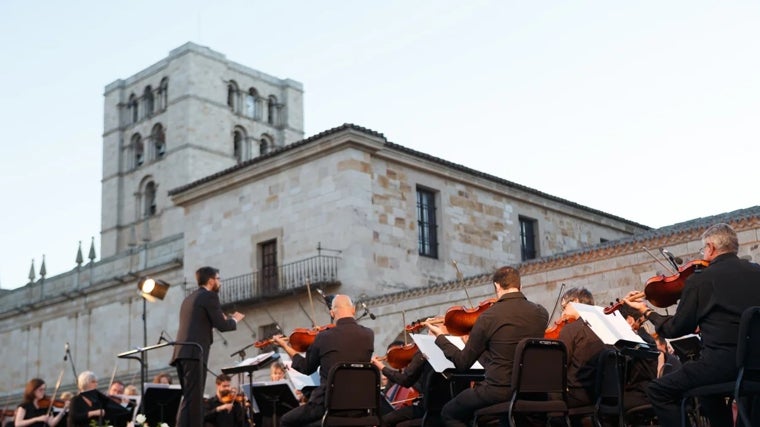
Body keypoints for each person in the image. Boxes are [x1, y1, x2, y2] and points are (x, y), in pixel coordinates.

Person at [625, 223, 760, 427]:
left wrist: (647, 312)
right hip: (755, 365)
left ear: (711, 247)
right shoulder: (756, 271)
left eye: (703, 250)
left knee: (658, 390)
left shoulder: (701, 279)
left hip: (722, 365)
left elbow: (675, 329)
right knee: (707, 392)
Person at [426, 266, 548, 427]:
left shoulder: (488, 317)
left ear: (497, 286)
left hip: (499, 390)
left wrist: (441, 338)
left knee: (449, 413)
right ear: (520, 286)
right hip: (534, 390)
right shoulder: (541, 313)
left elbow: (462, 363)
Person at [272, 294, 374, 427]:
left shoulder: (323, 337)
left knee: (286, 420)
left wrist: (285, 346)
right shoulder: (368, 335)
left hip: (328, 405)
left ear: (332, 313)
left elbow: (306, 368)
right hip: (359, 406)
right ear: (353, 310)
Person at [170, 267, 244, 427]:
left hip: (182, 352)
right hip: (194, 352)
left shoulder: (189, 298)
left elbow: (201, 322)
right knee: (194, 399)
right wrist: (234, 320)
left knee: (190, 398)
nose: (220, 282)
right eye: (218, 279)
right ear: (211, 280)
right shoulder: (209, 296)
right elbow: (223, 325)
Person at [555, 288, 607, 411]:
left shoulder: (570, 330)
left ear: (576, 301)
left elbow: (560, 365)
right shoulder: (606, 328)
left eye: (564, 307)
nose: (563, 313)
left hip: (577, 394)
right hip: (602, 393)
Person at [372, 341, 433, 427]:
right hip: (420, 406)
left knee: (390, 421)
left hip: (425, 406)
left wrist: (382, 367)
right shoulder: (401, 373)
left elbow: (407, 380)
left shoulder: (423, 357)